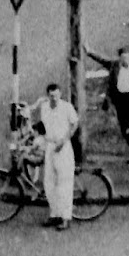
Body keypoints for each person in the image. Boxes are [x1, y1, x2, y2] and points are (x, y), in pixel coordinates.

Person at [35, 82, 79, 231]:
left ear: (60, 94)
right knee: (49, 183)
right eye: (51, 95)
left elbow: (74, 124)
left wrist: (65, 139)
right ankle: (54, 214)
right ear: (48, 95)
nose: (54, 98)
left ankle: (66, 217)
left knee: (64, 184)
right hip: (50, 147)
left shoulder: (67, 107)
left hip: (63, 147)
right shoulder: (45, 107)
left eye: (56, 95)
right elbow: (43, 126)